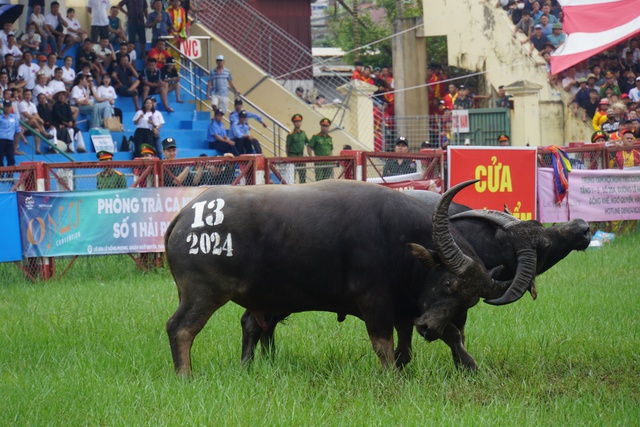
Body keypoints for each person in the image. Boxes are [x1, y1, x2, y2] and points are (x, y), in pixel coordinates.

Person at [285, 113, 309, 183]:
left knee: (303, 173)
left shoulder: (303, 133)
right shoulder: (291, 135)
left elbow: (307, 143)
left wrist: (309, 154)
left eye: (299, 122)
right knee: (293, 174)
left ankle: (303, 187)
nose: (298, 123)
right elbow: (287, 146)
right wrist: (288, 157)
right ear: (293, 123)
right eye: (296, 122)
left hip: (301, 156)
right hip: (293, 156)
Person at [0, 100, 22, 167]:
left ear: (11, 107)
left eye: (8, 106)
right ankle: (1, 175)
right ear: (3, 107)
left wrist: (23, 139)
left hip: (10, 141)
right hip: (1, 140)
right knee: (0, 158)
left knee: (11, 159)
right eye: (6, 107)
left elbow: (17, 129)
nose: (7, 108)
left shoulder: (14, 117)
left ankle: (10, 176)